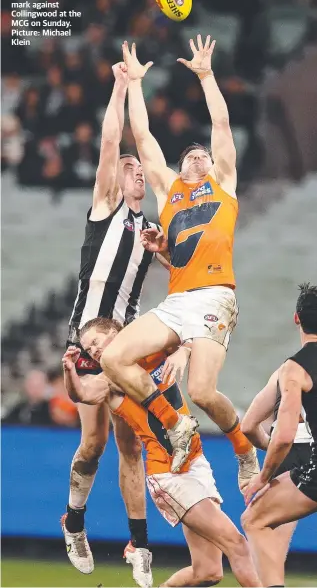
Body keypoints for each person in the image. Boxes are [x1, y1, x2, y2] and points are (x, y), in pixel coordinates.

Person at [99, 34, 259, 492]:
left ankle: (243, 448)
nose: (199, 153)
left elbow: (222, 126)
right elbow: (143, 136)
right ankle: (175, 425)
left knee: (204, 392)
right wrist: (132, 84)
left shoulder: (223, 184)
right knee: (114, 359)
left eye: (204, 153)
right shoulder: (170, 190)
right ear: (180, 164)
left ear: (213, 164)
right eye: (192, 153)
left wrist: (207, 76)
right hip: (177, 299)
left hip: (214, 296)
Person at [62, 61, 196, 585]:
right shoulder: (105, 210)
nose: (137, 170)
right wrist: (120, 84)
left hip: (126, 343)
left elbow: (179, 281)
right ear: (116, 179)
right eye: (129, 167)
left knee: (129, 444)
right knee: (92, 445)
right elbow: (111, 138)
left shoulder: (153, 229)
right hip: (85, 340)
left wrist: (164, 257)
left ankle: (139, 546)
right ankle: (74, 521)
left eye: (141, 167)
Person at [63, 317, 262, 588]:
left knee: (207, 572)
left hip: (196, 462)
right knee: (237, 545)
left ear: (116, 333)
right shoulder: (110, 380)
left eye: (95, 342)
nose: (93, 351)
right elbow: (82, 394)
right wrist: (69, 372)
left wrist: (183, 350)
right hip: (169, 474)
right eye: (88, 349)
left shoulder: (151, 350)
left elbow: (188, 332)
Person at [242, 283, 317, 587]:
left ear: (296, 318)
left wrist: (264, 476)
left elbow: (282, 436)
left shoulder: (294, 369)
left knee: (255, 520)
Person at [240, 363, 312, 585]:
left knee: (267, 539)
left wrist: (272, 449)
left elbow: (249, 425)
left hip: (291, 452)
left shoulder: (288, 370)